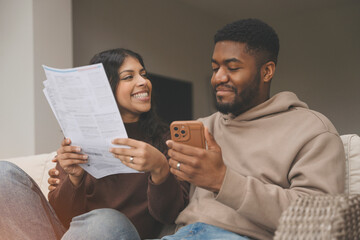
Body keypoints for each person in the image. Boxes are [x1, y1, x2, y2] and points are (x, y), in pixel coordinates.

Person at [68, 18, 345, 240]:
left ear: (267, 71)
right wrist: (161, 173)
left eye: (232, 68)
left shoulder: (311, 130)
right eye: (214, 68)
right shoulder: (202, 127)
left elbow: (321, 224)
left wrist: (223, 181)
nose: (218, 78)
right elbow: (169, 213)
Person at [0, 48, 189, 240]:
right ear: (103, 87)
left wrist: (160, 169)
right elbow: (61, 217)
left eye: (143, 74)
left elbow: (170, 215)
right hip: (69, 235)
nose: (143, 82)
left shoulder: (167, 141)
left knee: (104, 220)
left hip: (114, 232)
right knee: (3, 173)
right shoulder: (79, 137)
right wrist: (74, 179)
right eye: (128, 77)